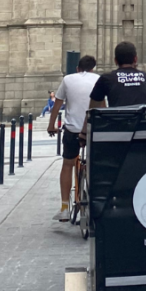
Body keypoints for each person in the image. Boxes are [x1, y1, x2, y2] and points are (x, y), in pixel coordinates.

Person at [48, 56, 98, 222]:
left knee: (68, 164)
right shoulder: (98, 79)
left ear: (77, 68)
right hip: (92, 129)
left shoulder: (68, 79)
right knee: (95, 164)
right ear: (93, 68)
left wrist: (51, 125)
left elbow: (57, 105)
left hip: (72, 130)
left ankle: (64, 208)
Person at [87, 42, 146, 119]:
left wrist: (84, 131)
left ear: (115, 61)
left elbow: (92, 111)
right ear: (135, 59)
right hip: (143, 126)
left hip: (118, 126)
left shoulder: (106, 79)